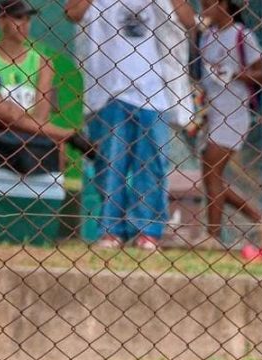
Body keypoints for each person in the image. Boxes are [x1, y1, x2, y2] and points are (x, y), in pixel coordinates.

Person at [66, 0, 196, 251]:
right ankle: (111, 229)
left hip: (155, 93)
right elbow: (73, 13)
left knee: (152, 165)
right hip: (110, 93)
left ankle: (147, 230)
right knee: (110, 163)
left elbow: (189, 20)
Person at [0, 0, 90, 174]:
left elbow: (41, 115)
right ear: (1, 21)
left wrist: (15, 117)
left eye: (28, 19)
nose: (25, 24)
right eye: (18, 18)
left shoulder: (43, 62)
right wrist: (14, 115)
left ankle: (62, 141)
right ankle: (68, 135)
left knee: (55, 145)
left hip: (33, 130)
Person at [196, 0, 262, 259]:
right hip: (212, 112)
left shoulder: (242, 35)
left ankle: (213, 235)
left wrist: (234, 74)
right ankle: (261, 218)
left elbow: (261, 75)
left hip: (235, 112)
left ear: (223, 5)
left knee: (212, 172)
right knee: (211, 177)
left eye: (208, 4)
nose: (203, 10)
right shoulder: (206, 37)